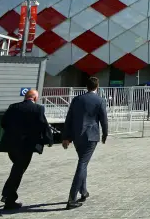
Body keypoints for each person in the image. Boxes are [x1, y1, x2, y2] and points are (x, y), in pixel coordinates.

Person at [0, 89, 52, 210]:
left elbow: (3, 123)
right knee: (18, 170)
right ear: (34, 98)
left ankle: (7, 194)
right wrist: (49, 140)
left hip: (11, 145)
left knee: (17, 168)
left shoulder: (13, 107)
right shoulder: (38, 109)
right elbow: (43, 124)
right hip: (27, 146)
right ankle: (8, 198)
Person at [62, 77, 108, 210]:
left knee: (83, 162)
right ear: (97, 86)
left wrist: (66, 136)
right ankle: (71, 198)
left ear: (86, 86)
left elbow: (69, 118)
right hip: (91, 137)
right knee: (82, 164)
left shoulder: (77, 99)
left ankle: (83, 191)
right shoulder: (100, 100)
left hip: (77, 136)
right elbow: (103, 119)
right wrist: (105, 134)